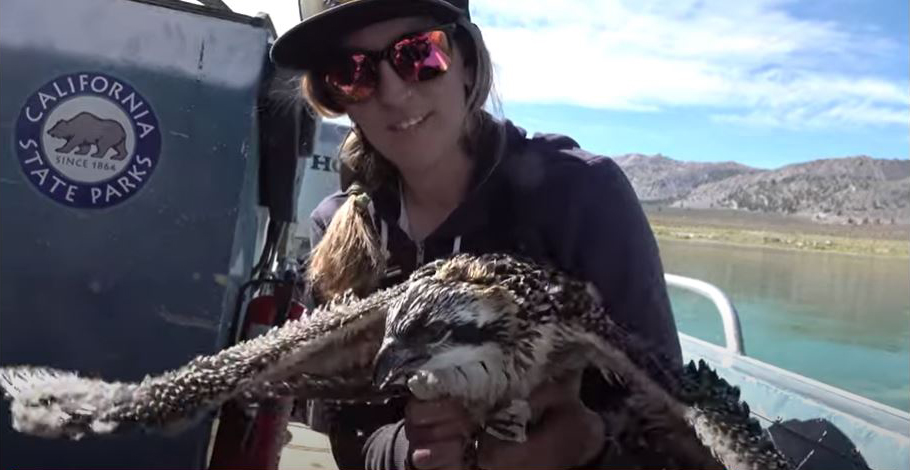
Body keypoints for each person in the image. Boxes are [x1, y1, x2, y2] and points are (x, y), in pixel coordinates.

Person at [270, 0, 682, 468]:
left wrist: (593, 443)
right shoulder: (336, 230)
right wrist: (408, 451)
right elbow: (346, 433)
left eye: (418, 54)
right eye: (353, 72)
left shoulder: (581, 196)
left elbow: (667, 421)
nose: (393, 92)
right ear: (337, 99)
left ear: (466, 60)